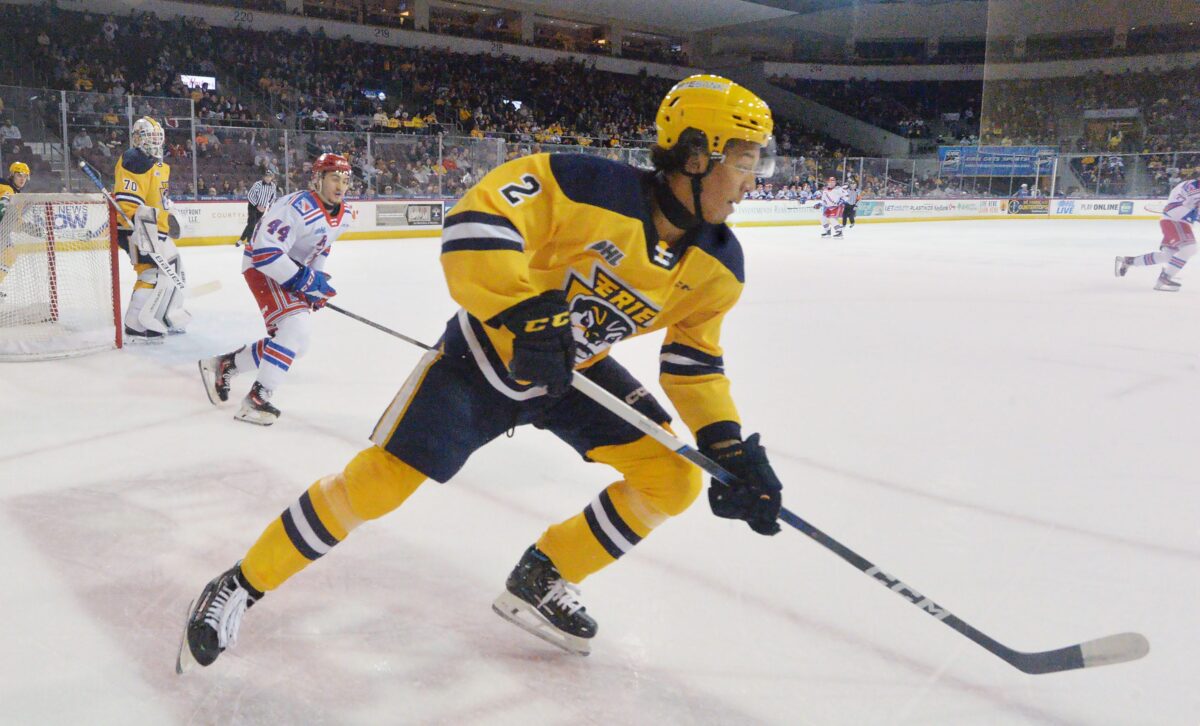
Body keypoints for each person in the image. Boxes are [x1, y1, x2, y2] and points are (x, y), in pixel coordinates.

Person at [177, 74, 785, 670]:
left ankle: (542, 576)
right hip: (485, 358)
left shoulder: (720, 264)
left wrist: (727, 445)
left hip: (573, 373)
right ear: (695, 154)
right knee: (378, 484)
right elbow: (477, 220)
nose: (752, 178)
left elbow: (694, 361)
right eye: (744, 157)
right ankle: (240, 583)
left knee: (672, 478)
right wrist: (524, 310)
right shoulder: (587, 184)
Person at [197, 153, 351, 426]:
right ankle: (256, 399)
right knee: (294, 328)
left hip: (290, 270)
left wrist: (315, 281)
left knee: (297, 344)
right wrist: (304, 282)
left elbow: (322, 245)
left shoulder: (345, 214)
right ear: (317, 179)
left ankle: (225, 365)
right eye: (334, 178)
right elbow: (266, 253)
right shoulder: (296, 207)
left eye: (345, 180)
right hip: (262, 266)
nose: (340, 186)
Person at [115, 117, 189, 342]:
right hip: (135, 229)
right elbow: (129, 205)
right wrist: (145, 237)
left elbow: (158, 199)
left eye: (158, 138)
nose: (155, 143)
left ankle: (165, 315)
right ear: (137, 138)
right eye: (150, 138)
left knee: (176, 271)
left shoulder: (158, 164)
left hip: (156, 229)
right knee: (151, 273)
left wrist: (170, 212)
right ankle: (134, 325)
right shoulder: (134, 160)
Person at [1115, 177, 1200, 291]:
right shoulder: (1194, 186)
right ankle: (1165, 279)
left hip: (1174, 221)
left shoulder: (1192, 185)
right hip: (1176, 221)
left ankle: (1129, 261)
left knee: (1168, 256)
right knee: (1190, 248)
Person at [0, 161, 30, 298]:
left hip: (3, 231)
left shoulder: (19, 196)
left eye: (25, 176)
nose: (22, 179)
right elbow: (4, 199)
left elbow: (14, 222)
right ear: (12, 175)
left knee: (10, 255)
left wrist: (29, 228)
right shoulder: (5, 187)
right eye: (19, 175)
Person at [236, 167, 279, 247]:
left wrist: (269, 206)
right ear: (264, 177)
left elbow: (273, 197)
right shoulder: (258, 184)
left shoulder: (273, 186)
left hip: (262, 208)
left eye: (269, 176)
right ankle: (249, 241)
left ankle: (241, 239)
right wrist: (257, 205)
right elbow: (250, 195)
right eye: (266, 176)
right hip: (253, 206)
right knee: (252, 224)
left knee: (252, 224)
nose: (268, 178)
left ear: (272, 177)